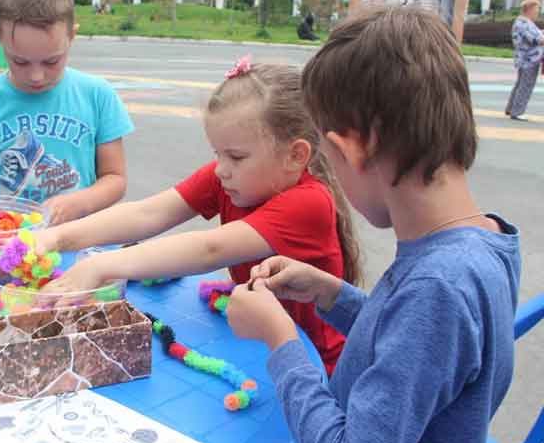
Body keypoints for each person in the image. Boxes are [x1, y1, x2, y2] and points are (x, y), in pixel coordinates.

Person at [226, 5, 520, 443]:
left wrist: (280, 337)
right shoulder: (482, 241)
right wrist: (331, 294)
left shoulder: (438, 286)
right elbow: (417, 348)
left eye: (330, 163)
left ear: (349, 151)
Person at [37, 59, 361, 375]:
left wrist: (99, 265)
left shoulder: (309, 203)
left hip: (316, 369)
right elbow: (149, 212)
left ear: (295, 155)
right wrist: (56, 236)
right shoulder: (231, 178)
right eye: (216, 153)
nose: (221, 168)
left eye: (235, 156)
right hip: (256, 347)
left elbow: (210, 249)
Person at [0, 0, 134, 224]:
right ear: (0, 37)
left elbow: (115, 178)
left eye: (51, 61)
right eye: (20, 61)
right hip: (7, 243)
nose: (36, 76)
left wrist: (79, 203)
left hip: (81, 238)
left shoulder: (98, 96)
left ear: (72, 36)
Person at [506, 0, 544, 121]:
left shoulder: (523, 22)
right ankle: (517, 112)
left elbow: (537, 34)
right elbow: (536, 39)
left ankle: (511, 108)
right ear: (530, 9)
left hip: (526, 59)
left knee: (520, 84)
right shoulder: (524, 23)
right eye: (537, 9)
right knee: (526, 86)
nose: (538, 12)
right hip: (529, 60)